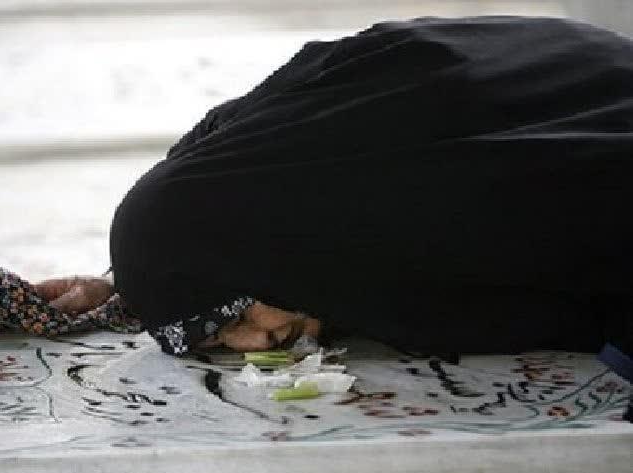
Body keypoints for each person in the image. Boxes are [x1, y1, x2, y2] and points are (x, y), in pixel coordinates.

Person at [100, 15, 633, 362]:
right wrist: (128, 285)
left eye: (238, 315)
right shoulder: (245, 162)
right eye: (219, 338)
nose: (257, 342)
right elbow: (174, 231)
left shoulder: (454, 209)